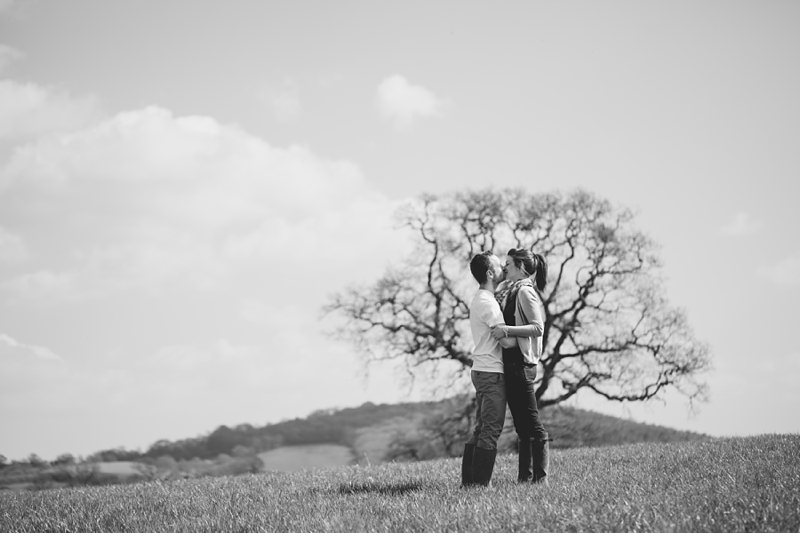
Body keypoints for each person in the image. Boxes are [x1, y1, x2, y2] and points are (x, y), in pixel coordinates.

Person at [491, 248, 550, 484]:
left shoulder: (525, 292)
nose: (505, 267)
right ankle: (524, 480)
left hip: (522, 364)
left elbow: (538, 328)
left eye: (508, 264)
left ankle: (541, 480)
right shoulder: (510, 290)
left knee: (533, 424)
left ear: (521, 267)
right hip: (511, 362)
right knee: (521, 426)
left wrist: (507, 330)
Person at [462, 251, 517, 487]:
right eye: (498, 265)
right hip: (492, 373)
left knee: (482, 428)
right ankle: (479, 487)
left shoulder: (482, 299)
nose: (503, 268)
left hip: (482, 370)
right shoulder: (488, 303)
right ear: (489, 272)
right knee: (491, 431)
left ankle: (469, 484)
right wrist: (529, 337)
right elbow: (505, 341)